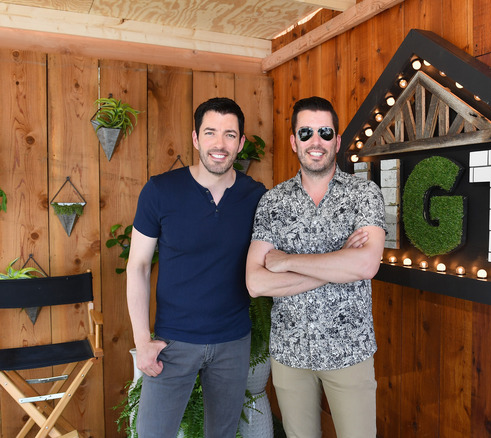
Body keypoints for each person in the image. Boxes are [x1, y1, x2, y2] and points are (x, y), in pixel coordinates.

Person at [126, 97, 267, 437]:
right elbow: (138, 266)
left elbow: (273, 253)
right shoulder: (160, 191)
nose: (220, 144)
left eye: (230, 135)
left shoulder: (257, 195)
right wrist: (142, 341)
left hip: (233, 341)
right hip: (173, 342)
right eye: (211, 133)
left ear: (241, 143)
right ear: (195, 138)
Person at [246, 96, 386, 437]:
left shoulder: (363, 194)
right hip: (290, 354)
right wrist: (338, 262)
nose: (316, 141)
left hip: (349, 351)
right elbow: (256, 283)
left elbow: (366, 264)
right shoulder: (273, 201)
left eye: (325, 132)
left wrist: (287, 261)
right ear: (294, 141)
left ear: (337, 140)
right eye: (306, 132)